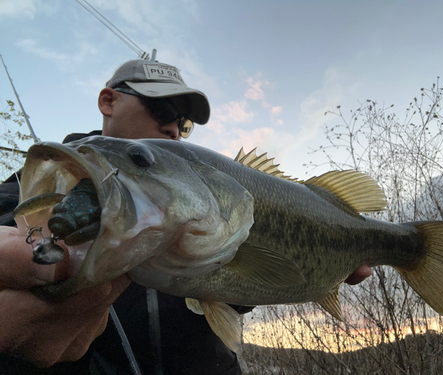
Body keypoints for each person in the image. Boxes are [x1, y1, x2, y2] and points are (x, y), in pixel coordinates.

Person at [0, 59, 372, 374]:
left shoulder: (194, 195)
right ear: (108, 100)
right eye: (160, 110)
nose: (173, 128)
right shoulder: (21, 195)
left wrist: (276, 273)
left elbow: (235, 289)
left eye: (184, 124)